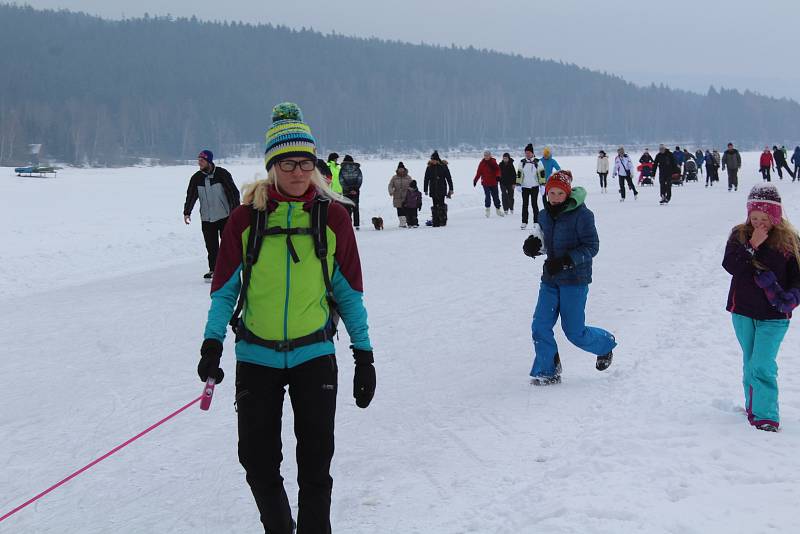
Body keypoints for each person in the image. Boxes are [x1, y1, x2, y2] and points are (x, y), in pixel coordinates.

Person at [197, 103, 375, 533]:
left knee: (316, 464)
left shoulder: (333, 217)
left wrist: (364, 354)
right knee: (257, 461)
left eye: (306, 162)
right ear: (272, 165)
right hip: (257, 358)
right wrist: (211, 343)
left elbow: (349, 293)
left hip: (314, 355)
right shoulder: (245, 219)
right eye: (288, 163)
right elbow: (224, 291)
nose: (299, 172)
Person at [522, 170, 616, 385]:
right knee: (540, 326)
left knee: (574, 332)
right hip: (550, 278)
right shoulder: (545, 214)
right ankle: (548, 370)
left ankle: (605, 344)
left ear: (567, 193)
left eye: (559, 193)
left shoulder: (583, 215)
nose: (554, 198)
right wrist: (533, 246)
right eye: (551, 193)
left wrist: (566, 261)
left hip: (575, 279)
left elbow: (592, 246)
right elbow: (543, 238)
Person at [722, 184, 800, 432]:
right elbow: (731, 265)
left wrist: (791, 297)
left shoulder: (789, 241)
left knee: (763, 363)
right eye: (753, 217)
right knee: (750, 361)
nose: (758, 223)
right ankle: (753, 405)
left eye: (764, 218)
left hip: (774, 315)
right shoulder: (740, 235)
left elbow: (797, 277)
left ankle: (766, 415)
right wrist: (751, 246)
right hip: (743, 311)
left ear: (775, 216)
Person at [183, 149, 240, 280]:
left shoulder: (222, 174)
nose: (199, 163)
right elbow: (191, 196)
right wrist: (187, 212)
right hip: (206, 218)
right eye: (198, 160)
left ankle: (229, 269)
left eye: (202, 160)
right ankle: (213, 270)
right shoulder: (196, 178)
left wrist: (235, 212)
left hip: (224, 216)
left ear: (209, 161)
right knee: (211, 246)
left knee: (227, 244)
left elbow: (233, 193)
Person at [517, 143, 544, 230]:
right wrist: (518, 184)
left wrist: (542, 185)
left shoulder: (538, 162)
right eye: (526, 153)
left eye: (529, 153)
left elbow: (542, 174)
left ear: (532, 153)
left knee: (534, 204)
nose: (527, 154)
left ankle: (536, 222)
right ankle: (524, 222)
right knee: (525, 204)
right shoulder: (522, 162)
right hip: (525, 187)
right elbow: (519, 174)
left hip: (534, 186)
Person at [424, 150, 454, 227]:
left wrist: (451, 188)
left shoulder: (443, 167)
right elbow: (426, 179)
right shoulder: (429, 168)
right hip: (433, 188)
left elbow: (448, 178)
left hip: (442, 188)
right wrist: (425, 189)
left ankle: (443, 220)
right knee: (434, 205)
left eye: (434, 160)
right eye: (432, 159)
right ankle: (435, 221)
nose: (432, 161)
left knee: (441, 204)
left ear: (437, 160)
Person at [473, 150, 503, 217]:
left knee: (496, 197)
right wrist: (475, 180)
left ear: (490, 155)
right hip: (485, 183)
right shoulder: (482, 163)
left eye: (487, 155)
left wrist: (498, 176)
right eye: (485, 155)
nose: (486, 157)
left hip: (493, 182)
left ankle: (498, 210)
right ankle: (487, 210)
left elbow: (498, 170)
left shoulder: (493, 162)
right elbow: (478, 173)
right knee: (487, 196)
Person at [339, 154, 363, 229]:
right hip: (356, 192)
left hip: (346, 192)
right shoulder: (357, 169)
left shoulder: (342, 169)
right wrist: (355, 189)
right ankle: (357, 225)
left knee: (347, 208)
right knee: (356, 208)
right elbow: (360, 179)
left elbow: (341, 180)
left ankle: (348, 224)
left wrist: (348, 189)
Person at [388, 162, 413, 227]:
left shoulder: (408, 177)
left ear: (404, 169)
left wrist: (411, 191)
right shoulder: (394, 177)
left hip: (406, 196)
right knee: (399, 209)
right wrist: (391, 191)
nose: (401, 171)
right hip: (397, 196)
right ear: (397, 170)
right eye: (399, 169)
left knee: (406, 209)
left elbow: (412, 185)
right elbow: (390, 185)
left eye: (402, 169)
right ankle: (402, 222)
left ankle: (406, 221)